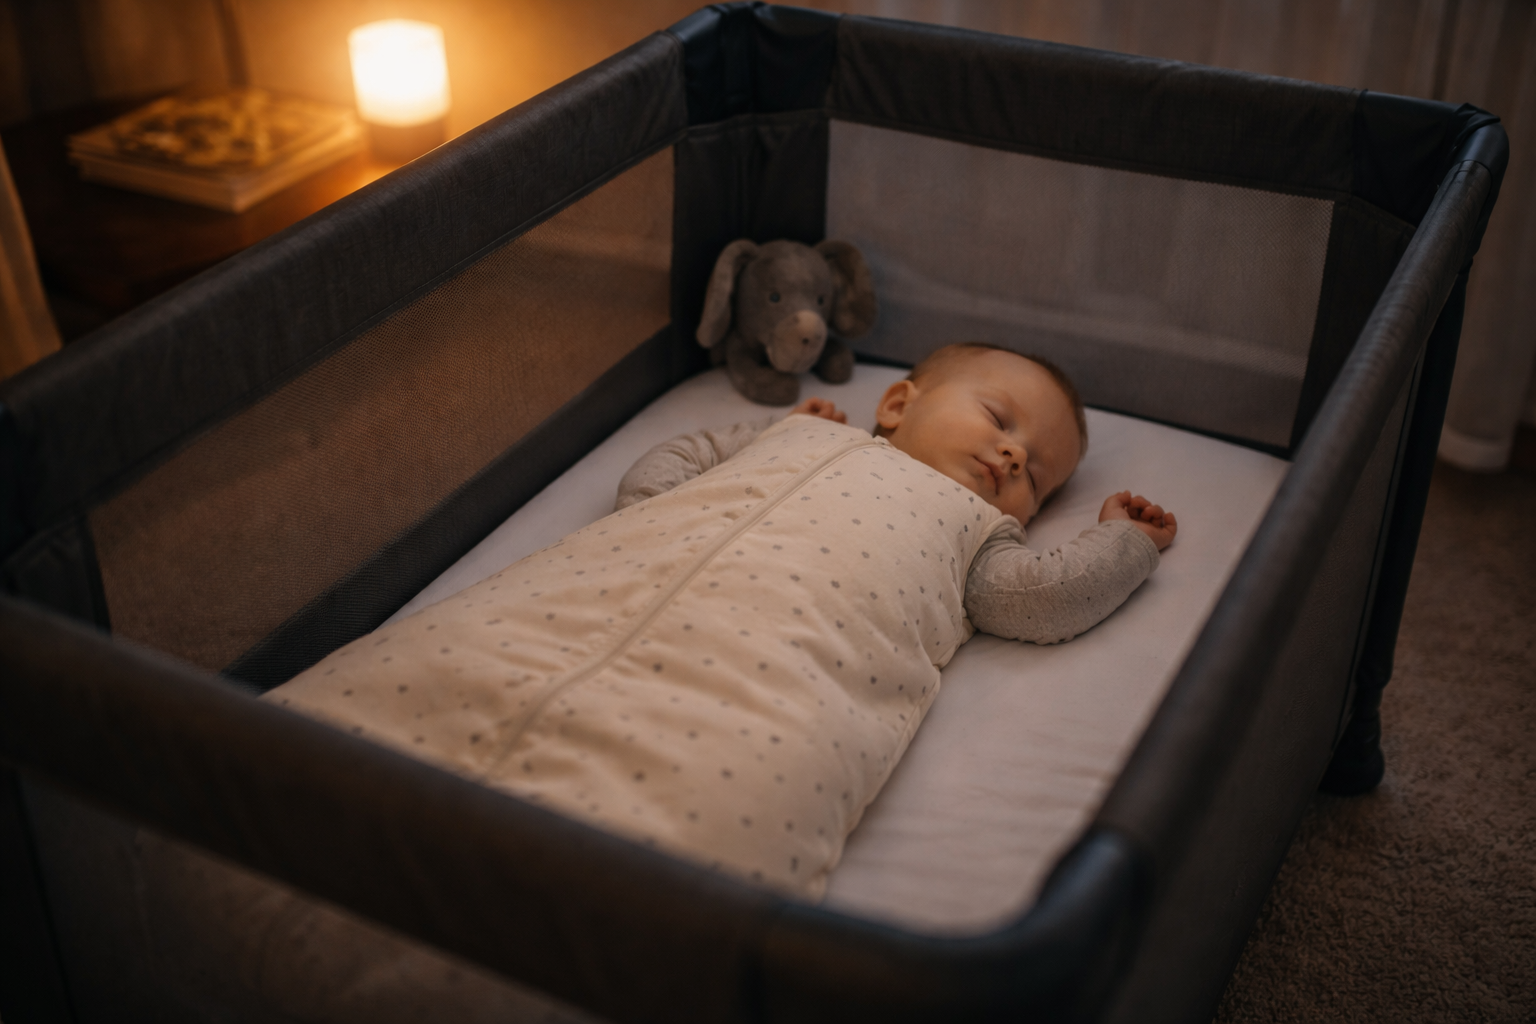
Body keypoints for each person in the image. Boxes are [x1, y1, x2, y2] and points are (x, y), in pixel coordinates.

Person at [271, 344, 1175, 897]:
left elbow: (1045, 599)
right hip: (574, 605)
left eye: (1039, 475)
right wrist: (718, 468)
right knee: (420, 674)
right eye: (1000, 418)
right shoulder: (801, 433)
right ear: (897, 404)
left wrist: (1120, 544)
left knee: (711, 812)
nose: (1015, 455)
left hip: (761, 685)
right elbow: (669, 471)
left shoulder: (981, 537)